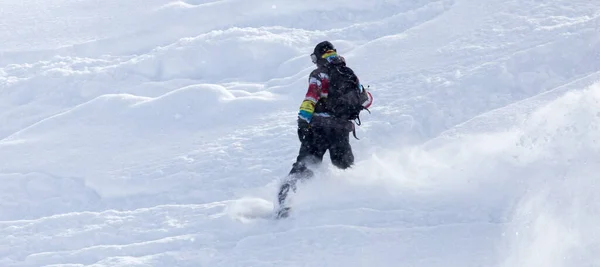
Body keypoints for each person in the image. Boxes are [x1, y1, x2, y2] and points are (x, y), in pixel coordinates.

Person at [276, 41, 373, 218]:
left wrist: (302, 122)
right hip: (341, 129)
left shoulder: (319, 74)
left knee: (305, 165)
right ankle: (356, 197)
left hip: (319, 128)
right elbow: (365, 100)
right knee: (343, 164)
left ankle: (285, 203)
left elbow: (311, 98)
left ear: (318, 57)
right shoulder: (349, 72)